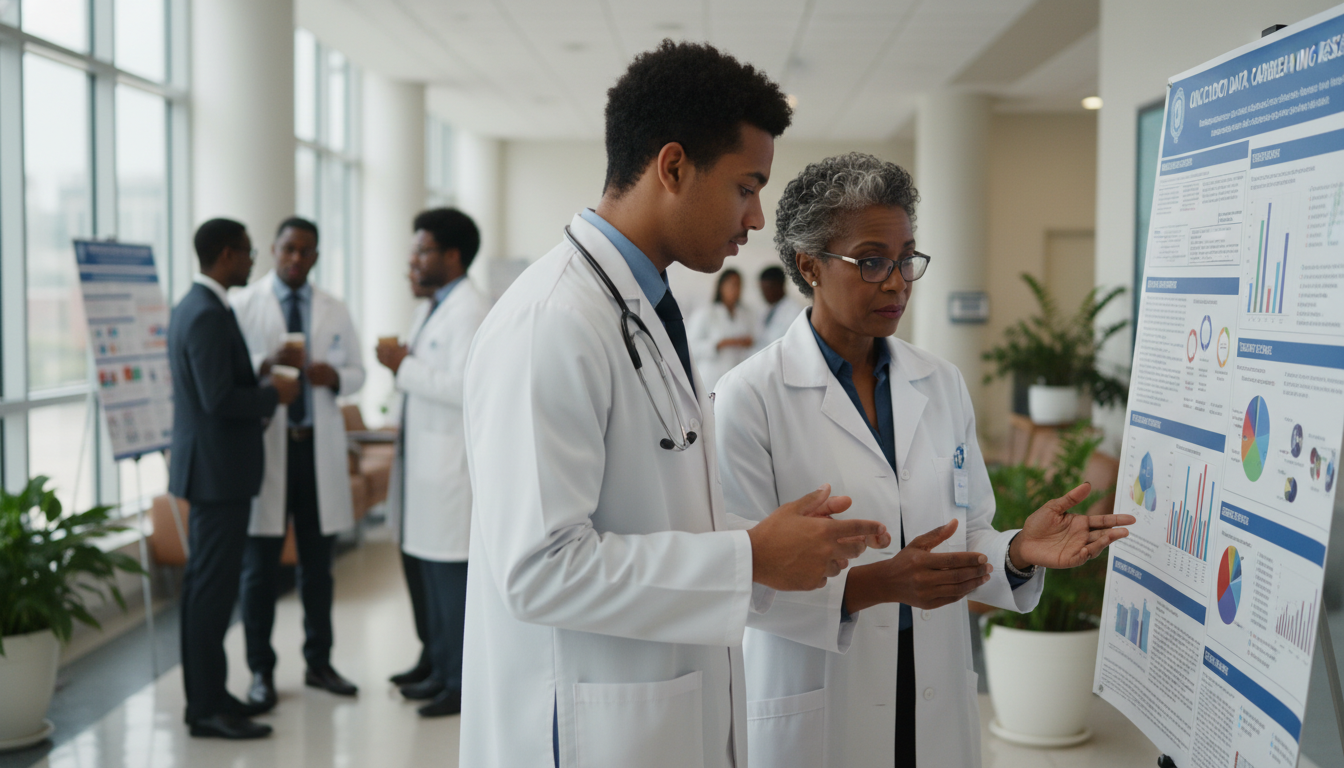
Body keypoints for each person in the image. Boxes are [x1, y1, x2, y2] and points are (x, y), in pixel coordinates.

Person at [458, 41, 889, 768]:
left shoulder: (641, 306)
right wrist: (748, 556)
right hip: (589, 728)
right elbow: (538, 569)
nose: (756, 220)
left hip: (660, 709)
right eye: (746, 187)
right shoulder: (553, 322)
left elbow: (648, 515)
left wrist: (763, 547)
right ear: (673, 167)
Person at [714, 153, 1135, 767]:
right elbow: (742, 580)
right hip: (821, 704)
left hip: (931, 695)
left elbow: (965, 540)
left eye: (906, 258)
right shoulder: (748, 398)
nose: (896, 281)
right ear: (809, 265)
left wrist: (1017, 551)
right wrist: (872, 586)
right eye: (872, 261)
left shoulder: (939, 383)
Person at [168, 218, 298, 740]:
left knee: (210, 590)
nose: (252, 261)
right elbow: (217, 399)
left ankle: (213, 695)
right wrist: (274, 396)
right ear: (225, 254)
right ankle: (205, 709)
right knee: (211, 594)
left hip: (218, 472)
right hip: (217, 476)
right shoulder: (203, 313)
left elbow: (217, 382)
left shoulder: (204, 307)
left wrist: (262, 369)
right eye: (246, 252)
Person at [231, 217, 366, 711]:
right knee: (259, 570)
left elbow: (358, 372)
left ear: (315, 256)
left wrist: (335, 376)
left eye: (305, 251)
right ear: (273, 249)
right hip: (269, 449)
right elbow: (231, 373)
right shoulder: (244, 305)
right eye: (288, 248)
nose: (295, 258)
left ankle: (319, 663)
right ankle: (261, 673)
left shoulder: (333, 308)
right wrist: (263, 370)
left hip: (315, 450)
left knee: (318, 568)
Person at [378, 208, 490, 718]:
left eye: (422, 251)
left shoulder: (471, 309)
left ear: (452, 256)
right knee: (427, 576)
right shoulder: (431, 306)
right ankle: (436, 665)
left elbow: (468, 388)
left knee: (449, 585)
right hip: (423, 467)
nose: (412, 260)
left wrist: (406, 366)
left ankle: (458, 682)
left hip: (449, 472)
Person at [688, 268, 755, 390]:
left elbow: (756, 341)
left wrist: (748, 342)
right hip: (711, 379)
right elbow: (691, 347)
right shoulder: (706, 313)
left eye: (739, 285)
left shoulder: (746, 314)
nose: (735, 290)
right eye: (731, 285)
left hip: (738, 378)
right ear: (721, 286)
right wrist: (720, 344)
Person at [753, 265, 802, 350]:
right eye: (762, 289)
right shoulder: (766, 310)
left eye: (767, 289)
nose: (764, 294)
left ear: (780, 285)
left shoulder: (794, 311)